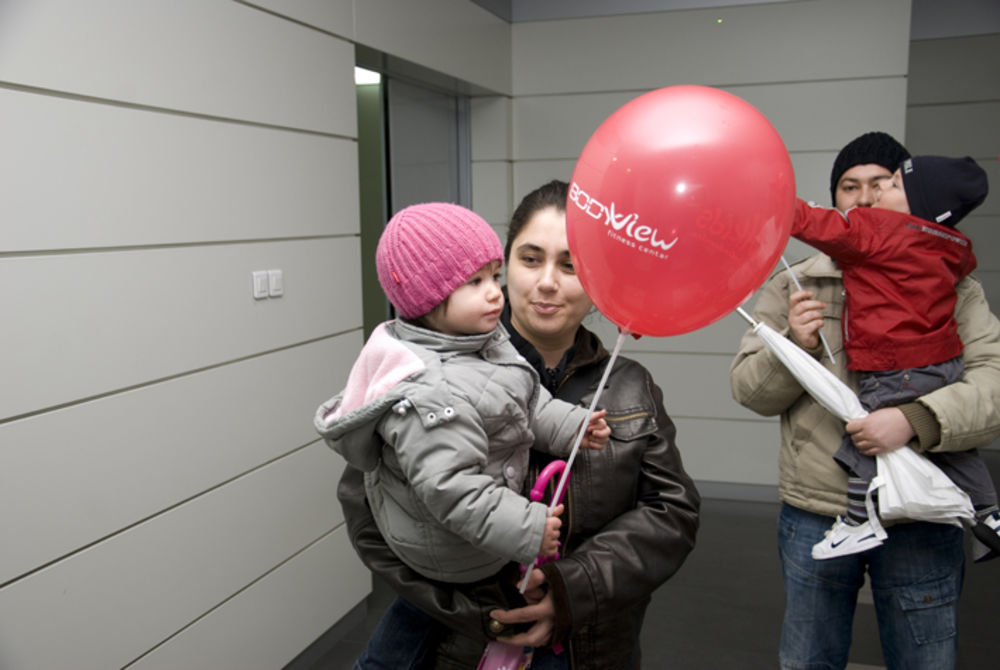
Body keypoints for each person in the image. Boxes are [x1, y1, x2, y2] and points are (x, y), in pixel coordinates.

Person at [338, 180, 701, 670]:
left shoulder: (631, 386)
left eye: (570, 265)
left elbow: (671, 513)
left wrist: (568, 590)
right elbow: (372, 516)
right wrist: (489, 611)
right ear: (505, 266)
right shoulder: (421, 375)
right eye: (530, 259)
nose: (547, 282)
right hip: (456, 649)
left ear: (599, 277)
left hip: (590, 647)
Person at [731, 131, 1000, 670]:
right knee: (809, 659)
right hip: (818, 512)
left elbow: (991, 388)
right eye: (849, 187)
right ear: (836, 200)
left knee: (925, 660)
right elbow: (749, 391)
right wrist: (795, 347)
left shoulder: (954, 287)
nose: (866, 197)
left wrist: (914, 420)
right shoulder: (794, 283)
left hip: (923, 515)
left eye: (882, 183)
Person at [314, 202, 610, 662]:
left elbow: (526, 401)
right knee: (413, 634)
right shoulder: (431, 390)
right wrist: (527, 527)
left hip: (484, 532)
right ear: (428, 300)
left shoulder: (482, 342)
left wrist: (572, 426)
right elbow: (451, 488)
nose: (495, 294)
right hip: (449, 549)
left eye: (494, 276)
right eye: (474, 283)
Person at [789, 155, 999, 560]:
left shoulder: (877, 230)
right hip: (943, 364)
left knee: (862, 441)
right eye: (852, 187)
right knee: (954, 450)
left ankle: (857, 522)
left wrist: (776, 199)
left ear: (922, 204)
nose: (877, 194)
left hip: (893, 366)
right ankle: (989, 513)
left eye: (893, 184)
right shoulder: (951, 245)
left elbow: (816, 223)